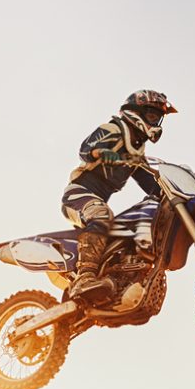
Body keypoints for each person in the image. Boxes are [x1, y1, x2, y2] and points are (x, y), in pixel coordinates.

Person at [61, 89, 178, 301]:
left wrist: (175, 191)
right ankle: (84, 277)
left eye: (158, 118)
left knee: (149, 212)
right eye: (152, 116)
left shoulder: (136, 151)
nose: (156, 123)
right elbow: (85, 149)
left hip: (97, 201)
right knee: (102, 214)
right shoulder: (114, 129)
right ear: (136, 112)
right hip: (78, 194)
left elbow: (151, 185)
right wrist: (103, 152)